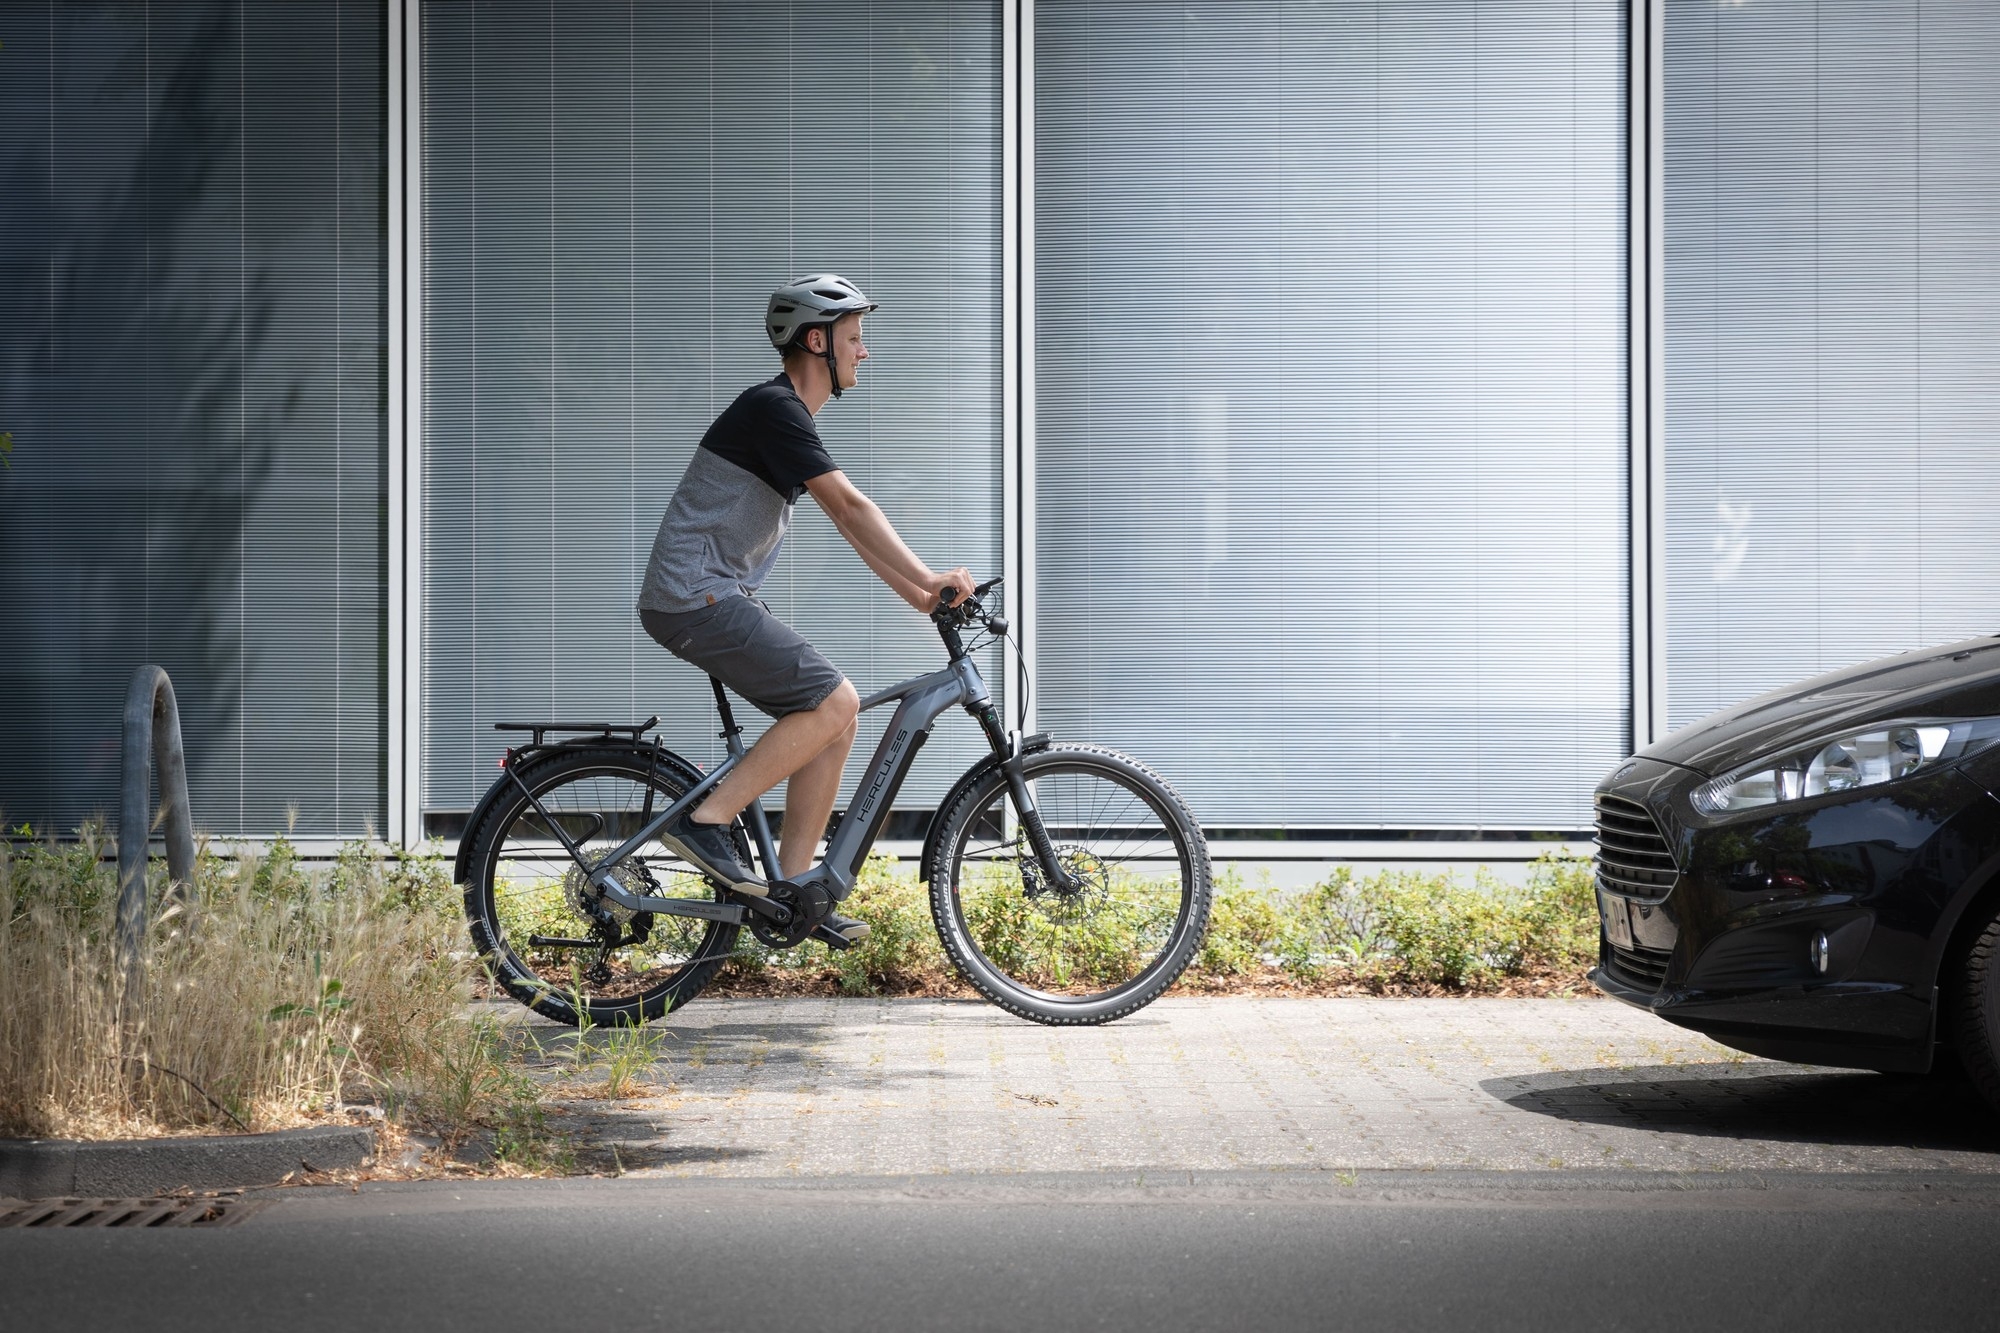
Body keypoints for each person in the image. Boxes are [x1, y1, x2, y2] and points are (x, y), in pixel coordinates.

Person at [636, 274, 973, 943]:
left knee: (834, 719)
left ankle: (791, 888)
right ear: (816, 341)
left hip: (706, 594)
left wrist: (921, 596)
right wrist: (929, 574)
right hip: (692, 596)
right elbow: (852, 507)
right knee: (833, 699)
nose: (864, 352)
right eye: (854, 338)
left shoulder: (786, 418)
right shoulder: (774, 408)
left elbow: (847, 528)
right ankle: (703, 821)